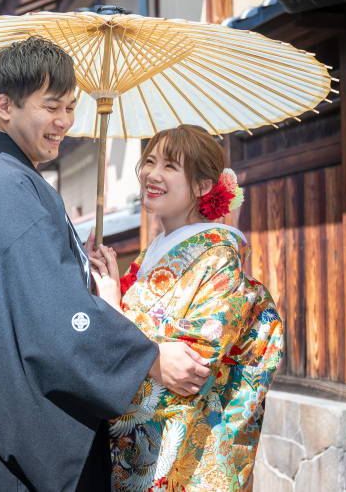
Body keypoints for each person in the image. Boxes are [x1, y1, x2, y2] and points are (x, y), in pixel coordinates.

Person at [0, 36, 211, 491]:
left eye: (70, 107)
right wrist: (149, 357)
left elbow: (27, 301)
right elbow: (53, 318)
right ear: (5, 106)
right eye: (51, 107)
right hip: (7, 458)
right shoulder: (8, 188)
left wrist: (92, 284)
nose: (64, 121)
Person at [90, 124, 284, 491]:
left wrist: (114, 311)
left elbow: (188, 368)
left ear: (202, 187)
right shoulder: (151, 254)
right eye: (149, 161)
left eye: (170, 166)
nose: (152, 174)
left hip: (181, 456)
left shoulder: (218, 256)